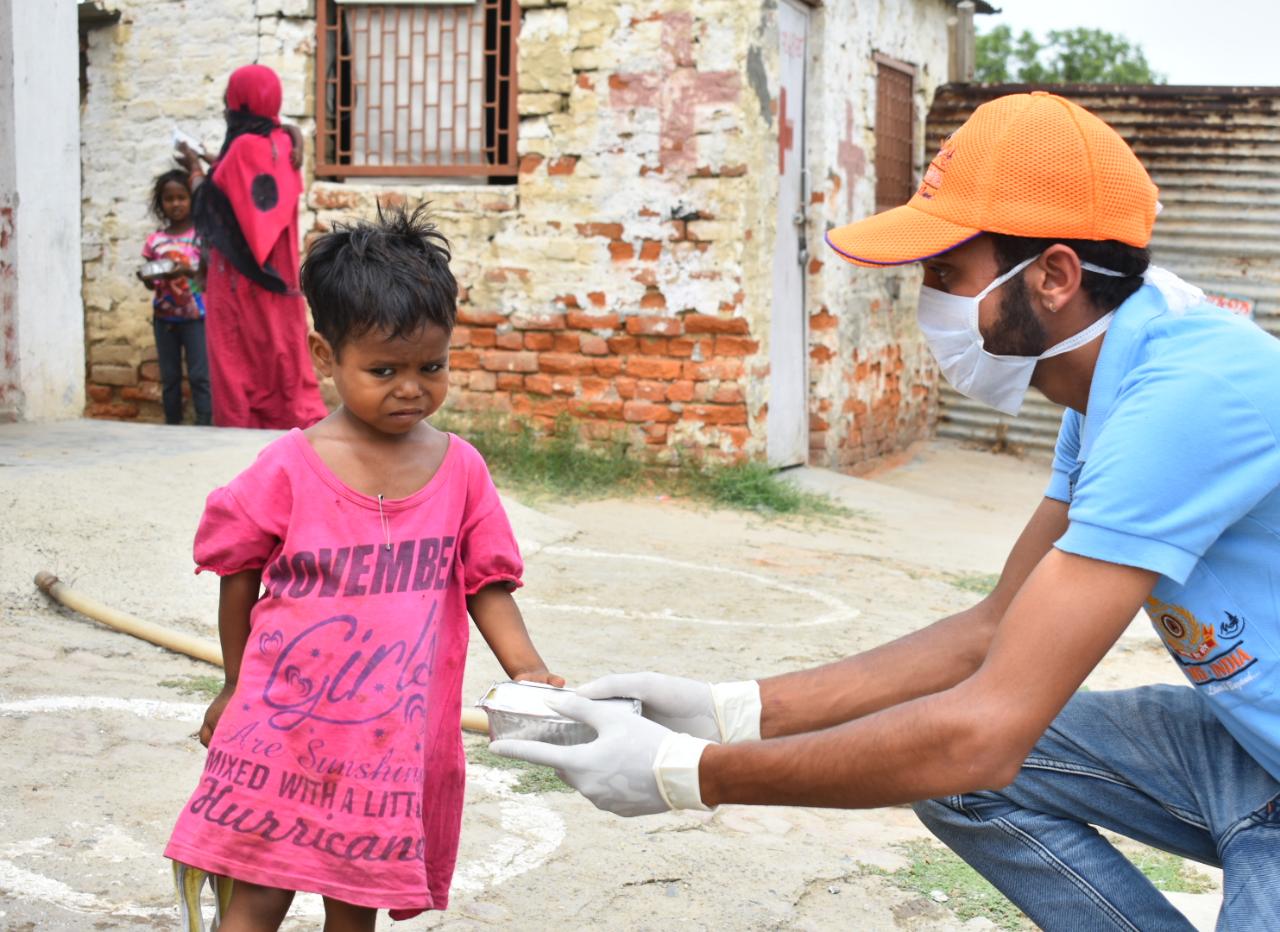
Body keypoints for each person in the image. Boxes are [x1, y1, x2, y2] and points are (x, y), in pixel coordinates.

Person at [493, 92, 1280, 930]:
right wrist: (733, 709)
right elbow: (995, 628)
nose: (929, 305)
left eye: (947, 276)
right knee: (958, 778)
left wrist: (692, 771)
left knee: (961, 755)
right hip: (1244, 749)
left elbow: (984, 729)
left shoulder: (1188, 394)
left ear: (1054, 276)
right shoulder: (1111, 387)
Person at [165, 204, 564, 931]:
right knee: (256, 897)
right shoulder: (289, 468)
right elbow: (237, 574)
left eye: (431, 366)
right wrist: (231, 683)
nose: (411, 388)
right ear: (325, 356)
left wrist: (527, 669)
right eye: (384, 370)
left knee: (355, 905)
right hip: (281, 734)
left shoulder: (461, 471)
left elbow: (488, 583)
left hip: (388, 750)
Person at [176, 63, 328, 430]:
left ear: (239, 102)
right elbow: (240, 184)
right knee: (284, 355)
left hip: (240, 278)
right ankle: (298, 432)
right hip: (281, 276)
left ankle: (241, 434)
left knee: (235, 360)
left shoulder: (243, 147)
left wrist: (194, 168)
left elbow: (213, 203)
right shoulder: (285, 143)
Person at [138, 169, 213, 426]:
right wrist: (147, 278)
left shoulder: (200, 236)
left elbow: (206, 274)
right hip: (164, 317)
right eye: (169, 199)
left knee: (199, 375)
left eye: (182, 197)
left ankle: (205, 423)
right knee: (169, 377)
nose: (176, 204)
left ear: (192, 199)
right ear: (161, 204)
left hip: (196, 315)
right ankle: (172, 424)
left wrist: (186, 270)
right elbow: (152, 283)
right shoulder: (155, 242)